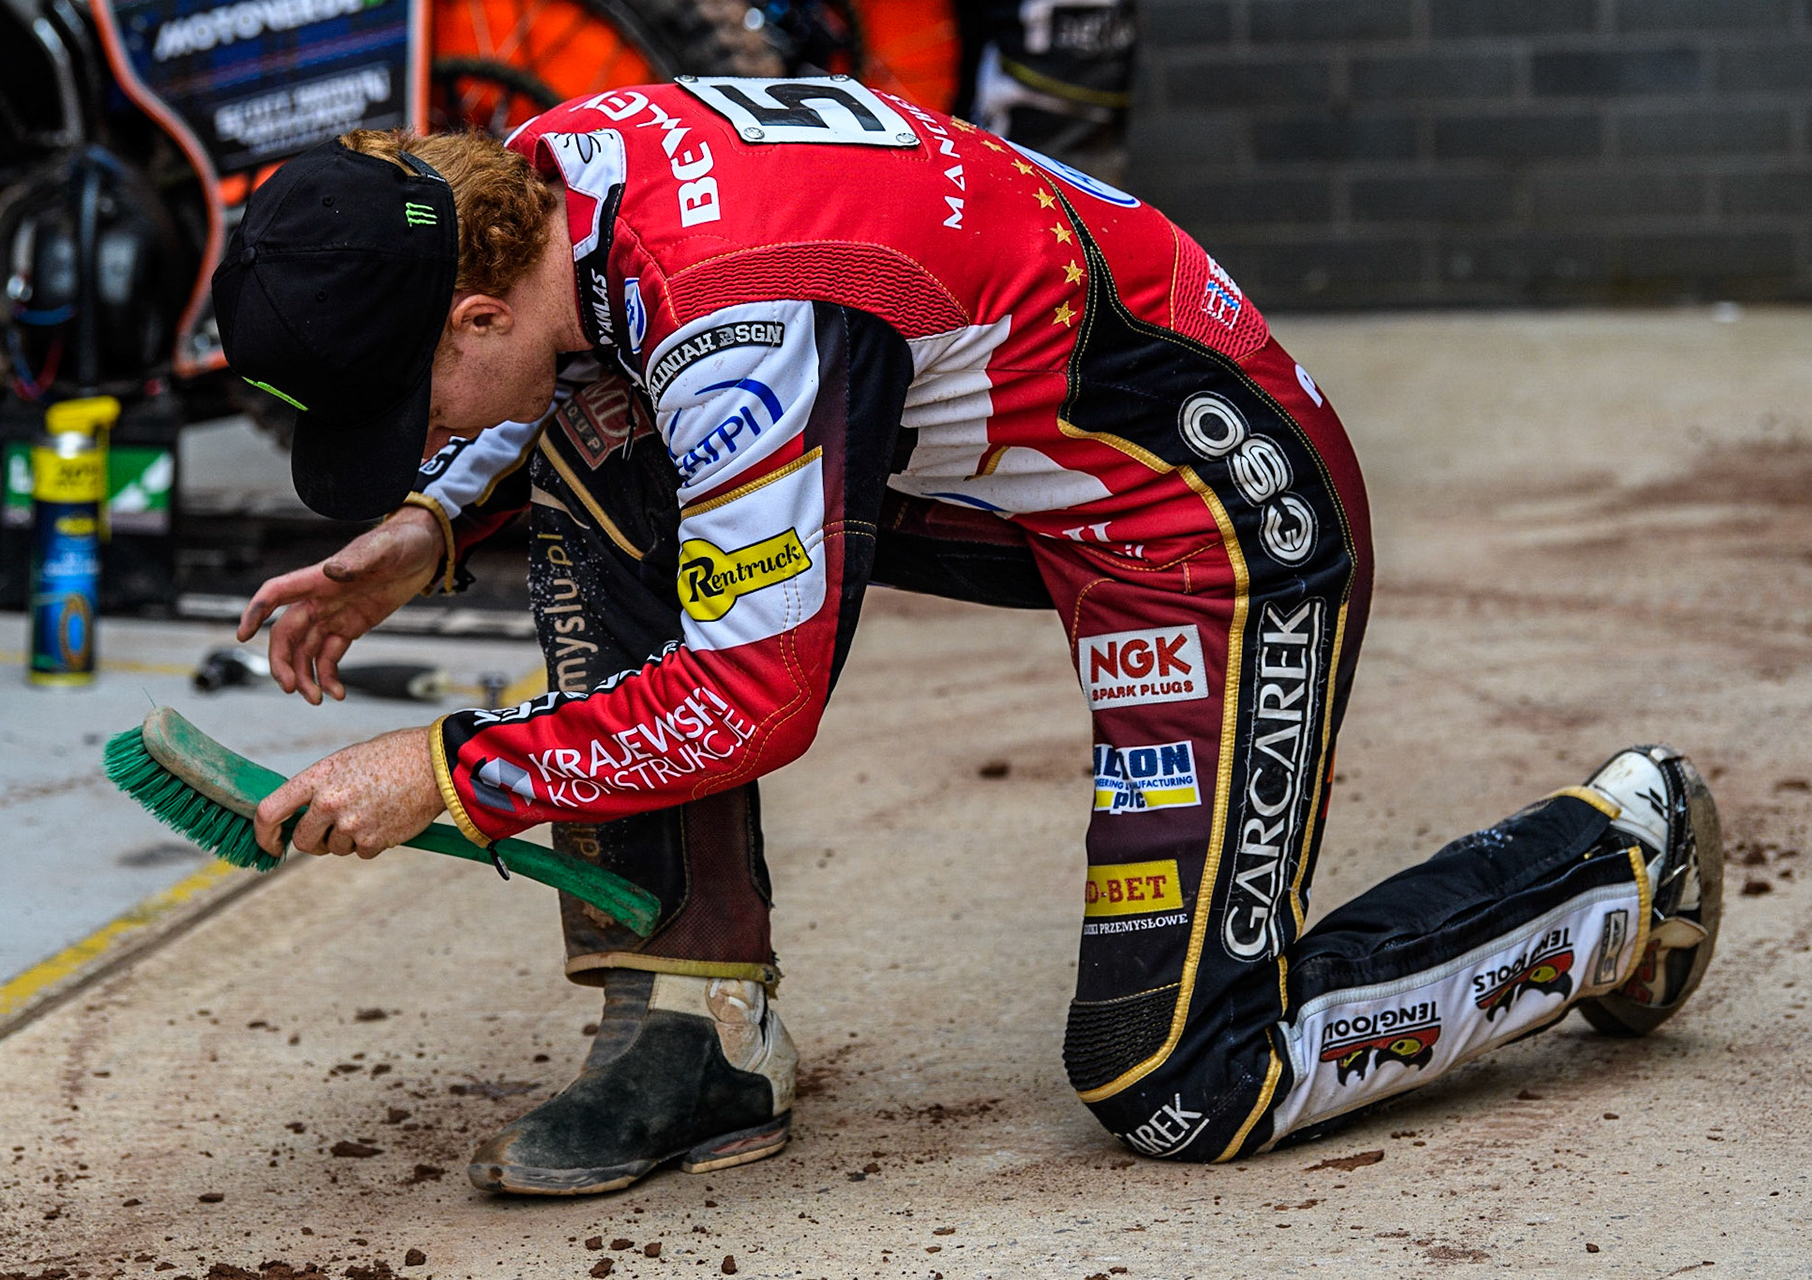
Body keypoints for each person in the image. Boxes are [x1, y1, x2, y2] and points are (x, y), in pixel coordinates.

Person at [212, 77, 1721, 1196]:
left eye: (404, 419)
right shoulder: (548, 175)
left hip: (1205, 517)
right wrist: (426, 529)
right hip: (1014, 463)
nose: (412, 443)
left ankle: (1614, 867)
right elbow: (574, 383)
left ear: (474, 317)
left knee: (1180, 1080)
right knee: (594, 448)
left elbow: (753, 698)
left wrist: (450, 768)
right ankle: (693, 1030)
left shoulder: (742, 313)